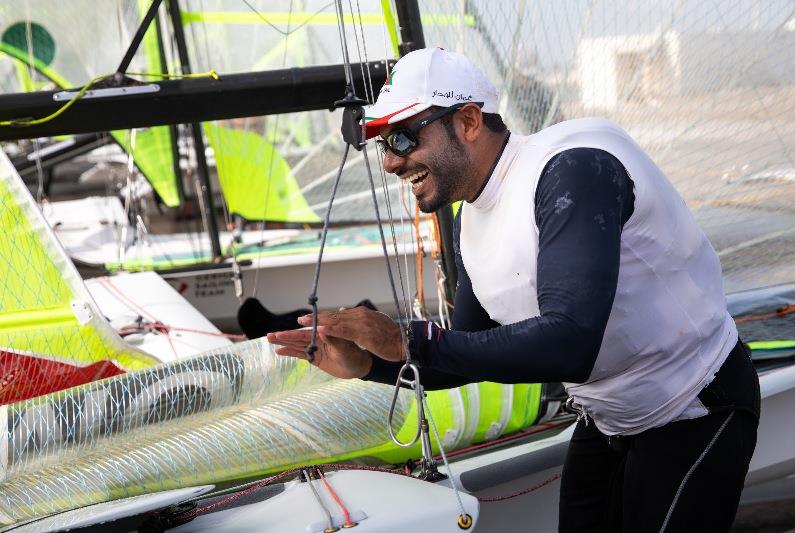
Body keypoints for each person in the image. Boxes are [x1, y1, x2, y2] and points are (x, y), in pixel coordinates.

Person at [267, 47, 760, 532]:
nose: (392, 163)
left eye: (402, 137)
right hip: (610, 419)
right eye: (382, 144)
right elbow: (461, 355)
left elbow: (571, 342)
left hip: (696, 405)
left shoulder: (572, 171)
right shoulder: (469, 223)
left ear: (468, 121)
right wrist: (371, 365)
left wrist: (408, 340)